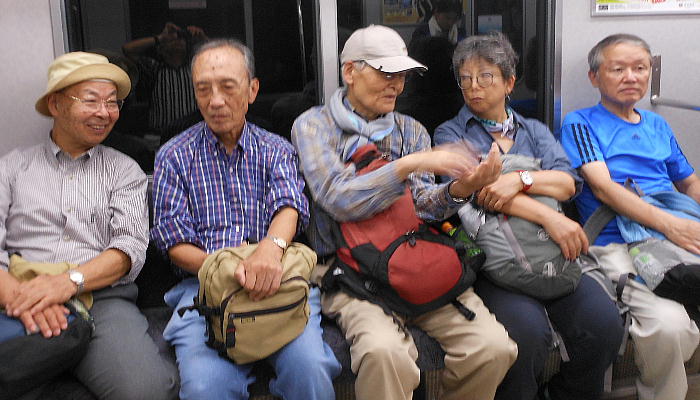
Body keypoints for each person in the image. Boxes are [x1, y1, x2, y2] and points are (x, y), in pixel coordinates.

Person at [292, 25, 517, 400]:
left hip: (415, 260)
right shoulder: (314, 126)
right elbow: (338, 199)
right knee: (385, 354)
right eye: (386, 73)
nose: (396, 85)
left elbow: (424, 207)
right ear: (350, 71)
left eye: (402, 75)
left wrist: (462, 188)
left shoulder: (410, 130)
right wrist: (407, 165)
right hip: (352, 273)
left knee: (493, 348)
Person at [434, 33, 624, 400]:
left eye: (485, 76)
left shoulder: (534, 131)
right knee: (527, 334)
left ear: (509, 83)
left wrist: (519, 179)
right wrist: (550, 216)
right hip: (495, 260)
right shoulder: (451, 132)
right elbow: (475, 195)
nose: (473, 87)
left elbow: (567, 183)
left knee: (603, 326)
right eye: (465, 79)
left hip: (552, 250)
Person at [150, 39, 341, 400]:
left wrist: (270, 251)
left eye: (227, 87)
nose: (215, 100)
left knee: (310, 370)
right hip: (203, 287)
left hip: (277, 279)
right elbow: (173, 241)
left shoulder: (275, 149)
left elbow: (289, 206)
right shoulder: (173, 156)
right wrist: (232, 272)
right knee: (206, 387)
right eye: (203, 89)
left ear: (252, 90)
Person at [0, 51, 178, 399]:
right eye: (91, 100)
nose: (105, 112)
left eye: (112, 102)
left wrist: (66, 283)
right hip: (17, 293)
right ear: (55, 104)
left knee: (146, 390)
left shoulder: (124, 170)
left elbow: (129, 248)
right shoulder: (11, 168)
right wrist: (24, 298)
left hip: (100, 299)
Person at [560, 33, 700, 400]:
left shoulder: (658, 126)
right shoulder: (580, 123)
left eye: (640, 68)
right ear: (594, 77)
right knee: (670, 327)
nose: (631, 77)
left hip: (676, 234)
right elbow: (604, 189)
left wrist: (685, 225)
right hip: (619, 243)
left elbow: (689, 183)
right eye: (618, 69)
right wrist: (672, 226)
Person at [122, 22, 206, 144]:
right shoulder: (154, 68)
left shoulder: (196, 68)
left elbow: (225, 57)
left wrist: (203, 39)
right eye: (171, 39)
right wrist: (160, 38)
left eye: (181, 38)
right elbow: (128, 50)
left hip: (194, 135)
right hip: (161, 137)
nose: (177, 40)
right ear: (160, 48)